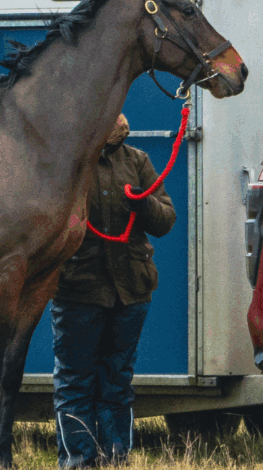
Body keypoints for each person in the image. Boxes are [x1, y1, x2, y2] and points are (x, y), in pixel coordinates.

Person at [53, 115, 175, 468]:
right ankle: (79, 462)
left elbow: (166, 220)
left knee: (117, 384)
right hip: (78, 292)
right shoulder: (67, 160)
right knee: (75, 385)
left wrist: (143, 203)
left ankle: (115, 461)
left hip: (131, 293)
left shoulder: (136, 161)